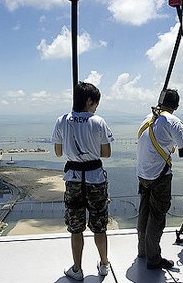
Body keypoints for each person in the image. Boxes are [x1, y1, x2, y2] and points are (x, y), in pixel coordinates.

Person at [51, 82, 114, 281]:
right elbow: (107, 153)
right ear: (89, 101)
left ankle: (77, 269)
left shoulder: (61, 120)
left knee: (76, 226)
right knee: (99, 224)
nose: (96, 108)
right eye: (95, 103)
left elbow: (59, 152)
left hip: (74, 178)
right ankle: (104, 265)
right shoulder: (98, 121)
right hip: (95, 177)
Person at [136, 89, 183, 270]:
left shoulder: (148, 118)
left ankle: (143, 250)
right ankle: (154, 259)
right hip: (159, 176)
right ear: (176, 106)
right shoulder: (173, 121)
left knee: (144, 212)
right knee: (157, 217)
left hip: (143, 174)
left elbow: (156, 141)